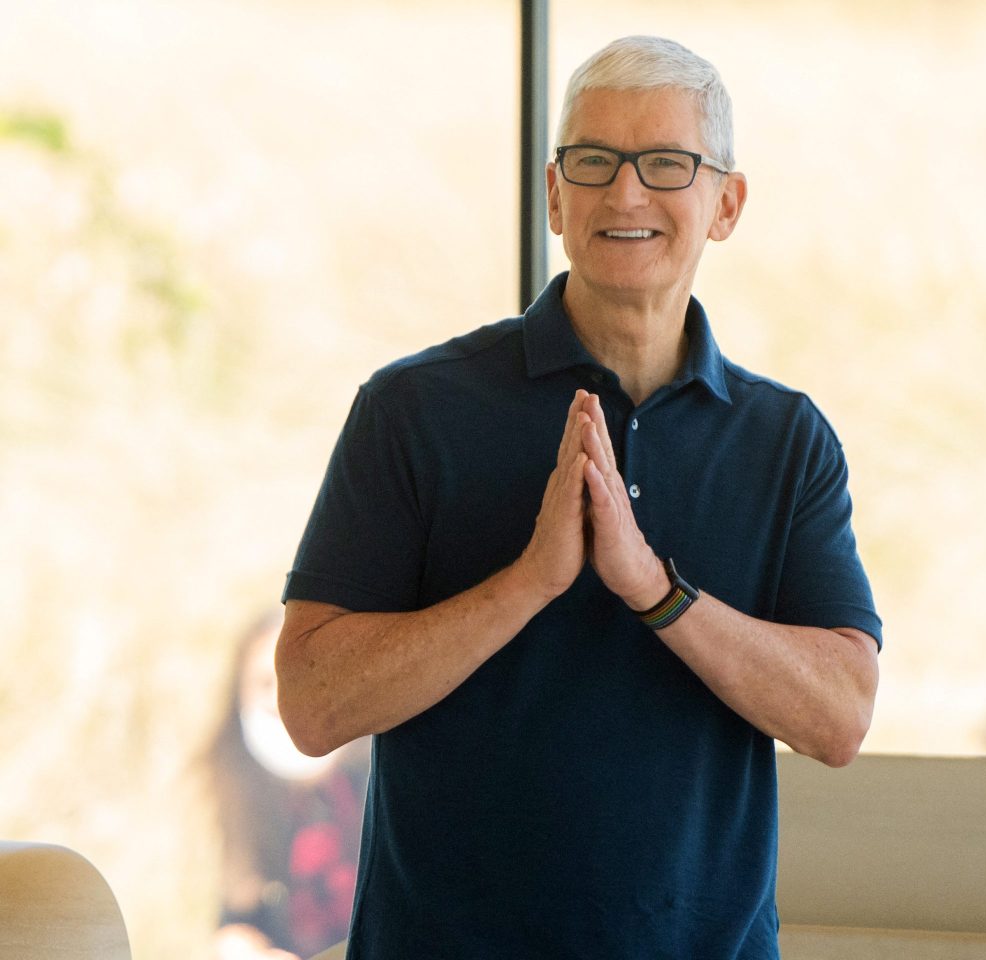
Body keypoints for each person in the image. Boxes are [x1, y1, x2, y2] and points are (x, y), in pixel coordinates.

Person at [274, 36, 882, 959]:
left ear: (726, 203)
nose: (625, 194)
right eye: (592, 162)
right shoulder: (414, 411)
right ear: (555, 196)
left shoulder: (786, 441)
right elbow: (311, 703)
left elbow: (839, 717)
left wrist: (656, 592)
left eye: (666, 165)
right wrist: (527, 582)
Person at [203, 612, 369, 960]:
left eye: (307, 676)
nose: (285, 701)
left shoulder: (385, 781)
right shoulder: (247, 799)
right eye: (266, 684)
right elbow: (240, 919)